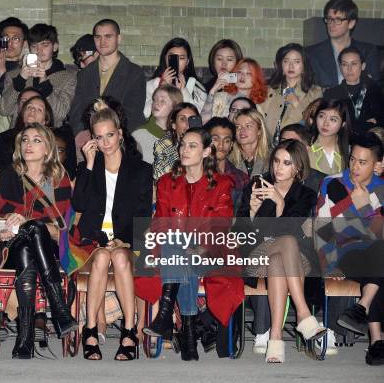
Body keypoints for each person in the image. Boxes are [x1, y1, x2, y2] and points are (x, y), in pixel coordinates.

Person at [0, 123, 78, 359]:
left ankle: (25, 337)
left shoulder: (59, 178)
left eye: (36, 140)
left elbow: (63, 229)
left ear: (48, 147)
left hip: (49, 246)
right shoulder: (6, 175)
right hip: (8, 246)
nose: (29, 145)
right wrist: (7, 227)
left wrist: (27, 222)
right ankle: (58, 308)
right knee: (29, 236)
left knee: (34, 233)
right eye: (25, 140)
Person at [143, 127, 234, 361]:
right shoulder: (166, 182)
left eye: (192, 146)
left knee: (183, 253)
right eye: (183, 144)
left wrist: (201, 247)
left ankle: (167, 319)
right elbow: (160, 223)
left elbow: (221, 225)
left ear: (205, 152)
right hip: (174, 250)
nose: (184, 150)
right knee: (177, 247)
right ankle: (189, 333)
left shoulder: (221, 184)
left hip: (209, 251)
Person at [72, 108, 152, 361]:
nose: (105, 142)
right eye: (99, 137)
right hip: (93, 239)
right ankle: (91, 329)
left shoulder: (140, 169)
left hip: (127, 238)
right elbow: (79, 205)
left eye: (110, 135)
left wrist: (125, 239)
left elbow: (142, 214)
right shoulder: (88, 167)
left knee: (117, 257)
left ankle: (129, 330)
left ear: (120, 134)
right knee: (101, 258)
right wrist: (89, 165)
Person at [237, 139, 325, 363]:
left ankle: (275, 338)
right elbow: (240, 232)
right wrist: (252, 214)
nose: (278, 167)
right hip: (258, 253)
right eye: (276, 161)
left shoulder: (305, 194)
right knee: (285, 243)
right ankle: (304, 315)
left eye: (286, 163)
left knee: (280, 256)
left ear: (298, 168)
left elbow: (294, 232)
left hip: (295, 259)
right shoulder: (257, 185)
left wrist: (280, 206)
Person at [316, 133, 384, 365]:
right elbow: (322, 229)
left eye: (363, 162)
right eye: (353, 159)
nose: (355, 166)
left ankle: (362, 310)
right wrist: (329, 264)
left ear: (377, 165)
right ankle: (377, 338)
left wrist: (366, 207)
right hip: (346, 255)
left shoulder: (381, 189)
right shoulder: (333, 183)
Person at [68, 19, 146, 134]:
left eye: (108, 36)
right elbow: (76, 113)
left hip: (123, 139)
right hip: (90, 139)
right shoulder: (84, 74)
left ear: (118, 38)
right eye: (98, 37)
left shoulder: (134, 73)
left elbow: (133, 115)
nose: (102, 41)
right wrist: (84, 136)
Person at [0, 24, 76, 127]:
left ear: (55, 46)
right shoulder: (14, 75)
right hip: (19, 134)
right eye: (34, 46)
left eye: (44, 45)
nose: (39, 50)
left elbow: (60, 114)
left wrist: (45, 83)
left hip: (50, 136)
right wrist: (20, 80)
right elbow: (4, 110)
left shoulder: (67, 78)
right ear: (29, 48)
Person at [306, 0, 380, 89]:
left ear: (351, 23)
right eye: (329, 19)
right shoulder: (312, 54)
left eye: (338, 20)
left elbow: (376, 87)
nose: (331, 24)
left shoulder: (368, 51)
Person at [261, 43, 323, 145]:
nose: (291, 66)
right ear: (281, 65)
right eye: (286, 61)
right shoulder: (269, 90)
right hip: (268, 146)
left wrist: (296, 103)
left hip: (298, 147)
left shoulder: (315, 92)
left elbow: (313, 124)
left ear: (304, 66)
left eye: (296, 62)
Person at [323, 46, 383, 132]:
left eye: (354, 64)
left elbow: (380, 121)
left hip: (369, 142)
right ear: (340, 67)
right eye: (344, 64)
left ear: (363, 66)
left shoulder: (375, 91)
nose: (349, 69)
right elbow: (331, 124)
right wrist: (363, 124)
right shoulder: (331, 94)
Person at [143, 38, 207, 118]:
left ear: (187, 62)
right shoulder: (151, 85)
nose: (177, 61)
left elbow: (196, 117)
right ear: (165, 58)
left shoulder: (197, 88)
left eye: (181, 58)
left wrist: (183, 91)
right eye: (172, 57)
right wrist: (162, 88)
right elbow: (145, 113)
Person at [0, 94, 54, 173]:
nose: (32, 110)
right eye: (29, 107)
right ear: (23, 114)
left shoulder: (53, 140)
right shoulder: (5, 138)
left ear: (45, 121)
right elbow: (2, 171)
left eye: (39, 109)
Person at [0, 17, 29, 138]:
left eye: (16, 38)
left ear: (25, 43)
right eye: (6, 38)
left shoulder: (28, 72)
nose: (10, 43)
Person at [203, 117, 250, 211]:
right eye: (215, 139)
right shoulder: (196, 173)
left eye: (227, 140)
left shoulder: (241, 179)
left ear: (231, 145)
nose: (221, 145)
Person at [202, 58, 267, 122]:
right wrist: (213, 91)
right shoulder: (221, 97)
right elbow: (204, 122)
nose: (242, 76)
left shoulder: (256, 108)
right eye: (239, 72)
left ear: (256, 79)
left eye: (249, 73)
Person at [133, 85, 183, 164]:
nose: (156, 103)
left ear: (175, 107)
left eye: (162, 101)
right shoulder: (140, 134)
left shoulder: (180, 137)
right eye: (154, 99)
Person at [153, 103, 199, 180]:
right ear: (173, 124)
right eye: (182, 119)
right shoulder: (164, 145)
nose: (188, 124)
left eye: (192, 119)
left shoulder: (205, 144)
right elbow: (160, 176)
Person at [307, 99, 351, 175]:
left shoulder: (349, 151)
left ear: (343, 124)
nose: (325, 123)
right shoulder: (305, 146)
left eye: (333, 119)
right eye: (321, 116)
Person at [230, 107, 270, 177]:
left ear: (259, 130)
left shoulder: (272, 157)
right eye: (237, 127)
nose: (242, 130)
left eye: (248, 126)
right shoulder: (228, 158)